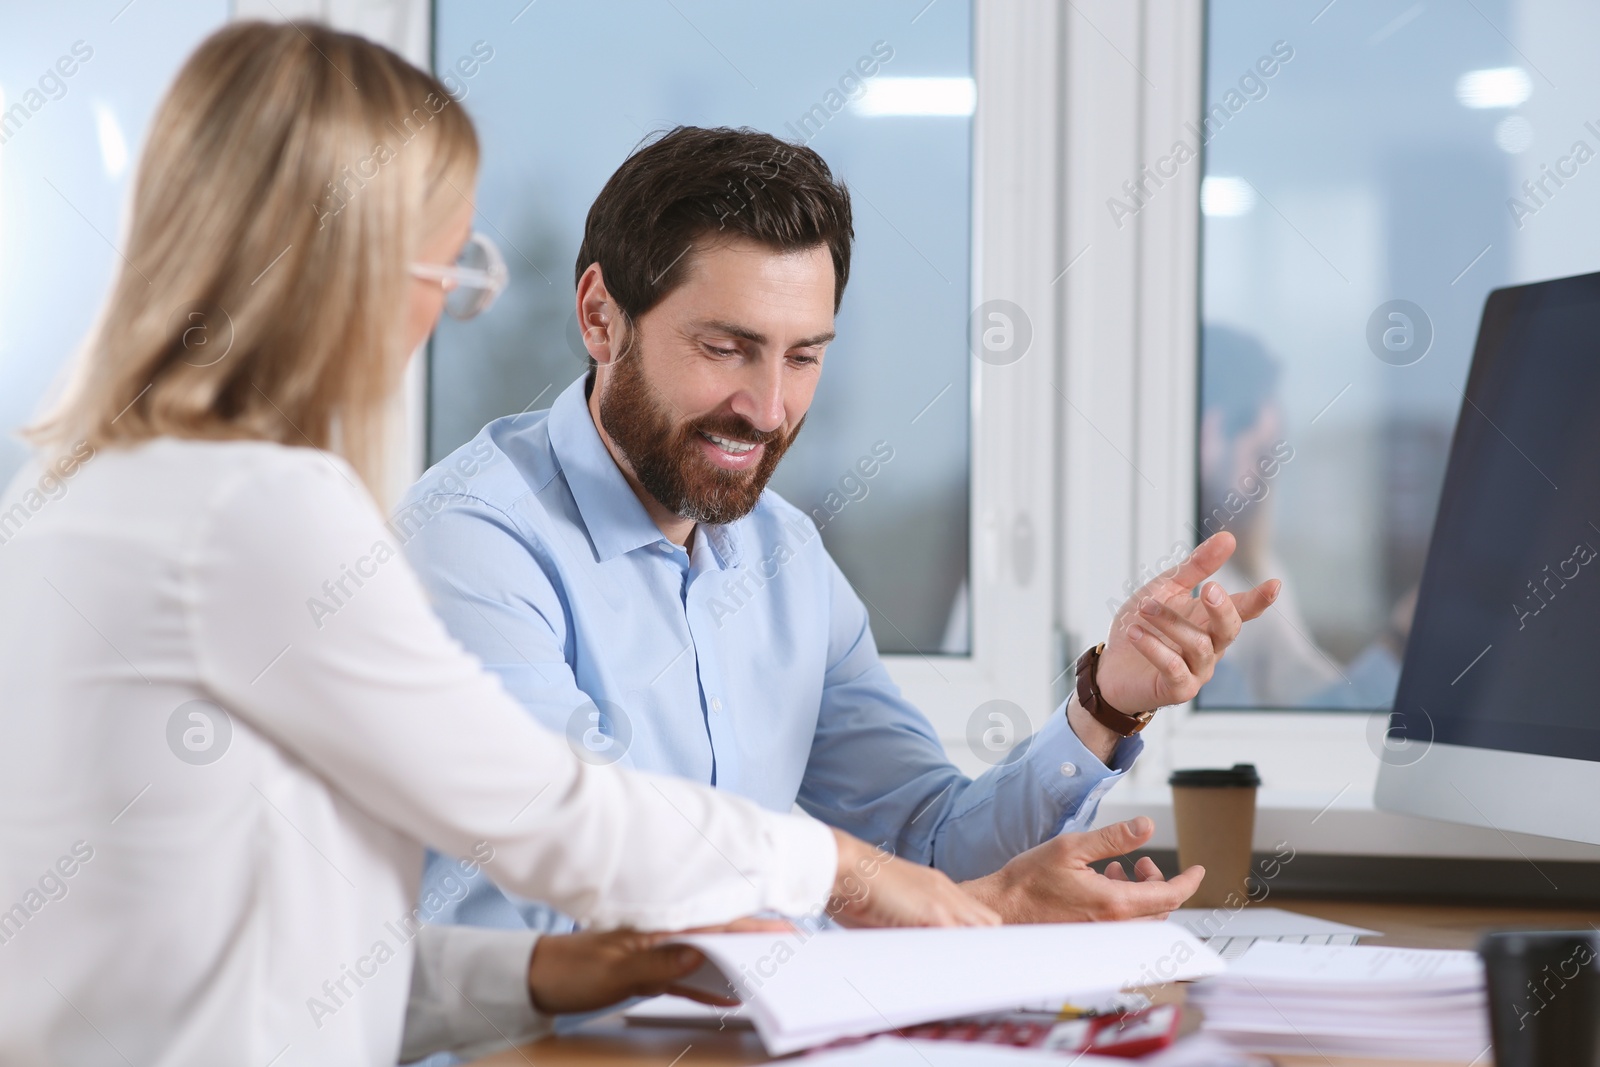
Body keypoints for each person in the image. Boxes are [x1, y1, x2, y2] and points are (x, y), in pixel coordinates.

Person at [0, 25, 994, 1067]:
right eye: (449, 265)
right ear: (350, 266)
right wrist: (829, 863)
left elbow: (263, 961)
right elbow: (544, 808)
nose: (444, 310)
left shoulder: (80, 488)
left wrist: (542, 975)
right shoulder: (256, 511)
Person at [401, 126, 1283, 948]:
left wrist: (1104, 705)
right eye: (726, 347)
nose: (769, 408)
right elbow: (568, 898)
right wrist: (943, 907)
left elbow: (928, 847)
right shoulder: (476, 544)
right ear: (601, 317)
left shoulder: (783, 556)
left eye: (803, 355)